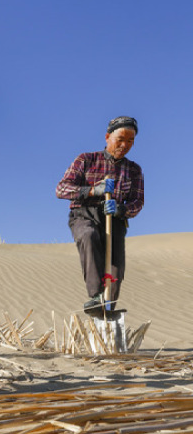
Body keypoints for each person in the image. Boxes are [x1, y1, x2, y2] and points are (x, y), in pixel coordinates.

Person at [56, 116, 144, 313]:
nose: (125, 145)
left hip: (115, 220)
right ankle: (96, 296)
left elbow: (138, 202)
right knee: (89, 236)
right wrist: (92, 190)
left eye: (130, 141)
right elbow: (61, 189)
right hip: (83, 214)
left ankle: (108, 309)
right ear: (107, 137)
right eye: (120, 138)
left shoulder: (134, 170)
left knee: (116, 267)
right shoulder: (86, 160)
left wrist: (122, 209)